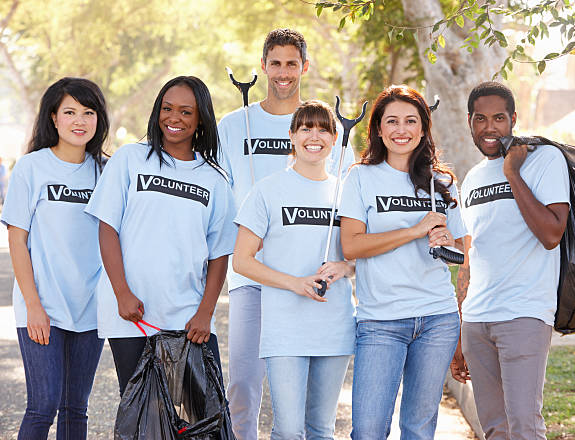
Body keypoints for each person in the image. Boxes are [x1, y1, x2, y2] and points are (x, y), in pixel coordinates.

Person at [217, 28, 354, 440]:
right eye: (275, 63)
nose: (283, 72)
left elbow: (349, 203)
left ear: (304, 67)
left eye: (291, 63)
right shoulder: (232, 124)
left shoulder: (328, 130)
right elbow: (217, 190)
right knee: (243, 383)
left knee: (301, 404)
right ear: (262, 67)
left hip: (310, 279)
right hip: (253, 276)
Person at [85, 76, 237, 395]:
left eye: (185, 111)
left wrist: (205, 313)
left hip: (186, 315)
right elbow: (107, 228)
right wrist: (122, 293)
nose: (174, 118)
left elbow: (219, 253)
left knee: (193, 417)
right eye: (167, 108)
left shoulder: (215, 179)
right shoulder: (130, 159)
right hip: (130, 313)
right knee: (143, 413)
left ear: (200, 120)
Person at [338, 85, 466, 440]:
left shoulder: (441, 183)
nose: (401, 129)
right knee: (368, 430)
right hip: (380, 320)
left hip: (437, 319)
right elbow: (350, 246)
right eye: (391, 121)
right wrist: (414, 231)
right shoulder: (360, 177)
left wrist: (446, 241)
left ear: (423, 128)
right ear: (378, 128)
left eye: (411, 121)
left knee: (419, 429)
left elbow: (462, 250)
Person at [452, 81, 570, 439]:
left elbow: (552, 234)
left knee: (524, 425)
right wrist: (460, 334)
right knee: (495, 428)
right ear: (469, 122)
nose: (490, 128)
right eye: (481, 119)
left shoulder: (544, 160)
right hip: (477, 321)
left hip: (524, 314)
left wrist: (512, 173)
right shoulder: (471, 179)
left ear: (514, 119)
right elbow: (470, 260)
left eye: (499, 118)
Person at [2, 77, 109, 439]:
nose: (80, 120)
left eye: (89, 112)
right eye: (70, 112)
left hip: (91, 308)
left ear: (99, 120)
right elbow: (17, 240)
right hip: (42, 304)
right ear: (53, 117)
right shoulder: (31, 168)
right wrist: (33, 305)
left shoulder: (106, 172)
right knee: (43, 405)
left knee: (75, 410)